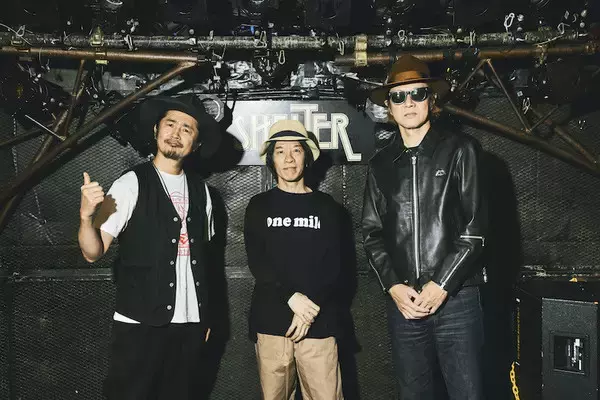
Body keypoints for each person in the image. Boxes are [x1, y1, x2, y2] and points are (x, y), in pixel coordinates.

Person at [78, 94, 221, 400]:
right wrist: (86, 217)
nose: (176, 133)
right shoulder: (130, 183)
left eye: (187, 128)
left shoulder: (203, 192)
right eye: (170, 124)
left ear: (195, 143)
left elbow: (203, 263)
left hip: (190, 325)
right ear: (156, 130)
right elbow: (92, 252)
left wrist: (205, 316)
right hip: (139, 324)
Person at [362, 55, 488, 399]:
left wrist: (442, 284)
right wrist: (393, 286)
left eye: (417, 94)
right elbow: (371, 234)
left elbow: (476, 229)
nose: (409, 103)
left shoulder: (461, 150)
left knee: (468, 394)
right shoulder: (380, 164)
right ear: (389, 107)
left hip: (457, 300)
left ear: (431, 100)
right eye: (398, 96)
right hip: (405, 304)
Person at [244, 119, 344, 400]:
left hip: (318, 322)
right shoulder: (259, 206)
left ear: (306, 156)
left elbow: (335, 266)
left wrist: (308, 310)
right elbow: (258, 261)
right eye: (280, 151)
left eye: (296, 150)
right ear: (271, 159)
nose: (288, 159)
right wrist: (290, 297)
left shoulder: (327, 207)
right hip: (272, 323)